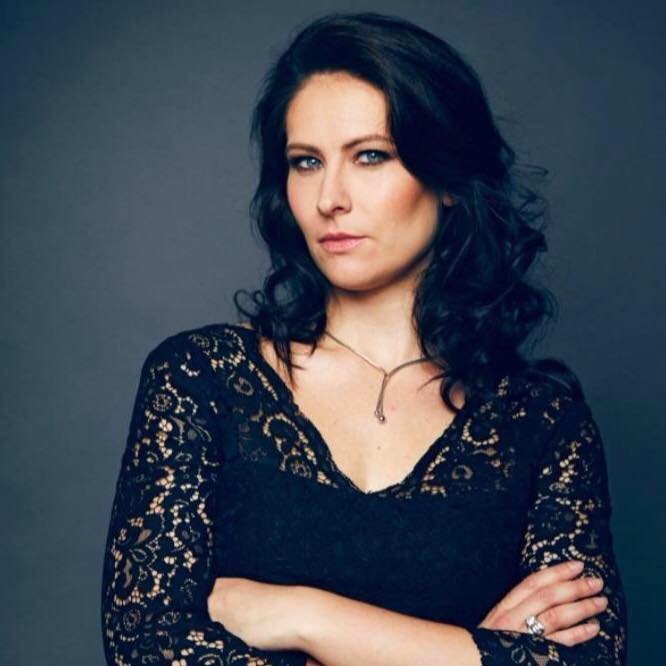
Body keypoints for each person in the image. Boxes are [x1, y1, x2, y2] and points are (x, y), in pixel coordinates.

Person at [100, 11, 628, 665]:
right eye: (305, 162)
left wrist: (302, 616)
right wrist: (473, 652)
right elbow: (147, 646)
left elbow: (587, 659)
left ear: (447, 178)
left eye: (370, 156)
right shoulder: (200, 378)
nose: (330, 197)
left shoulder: (542, 423)